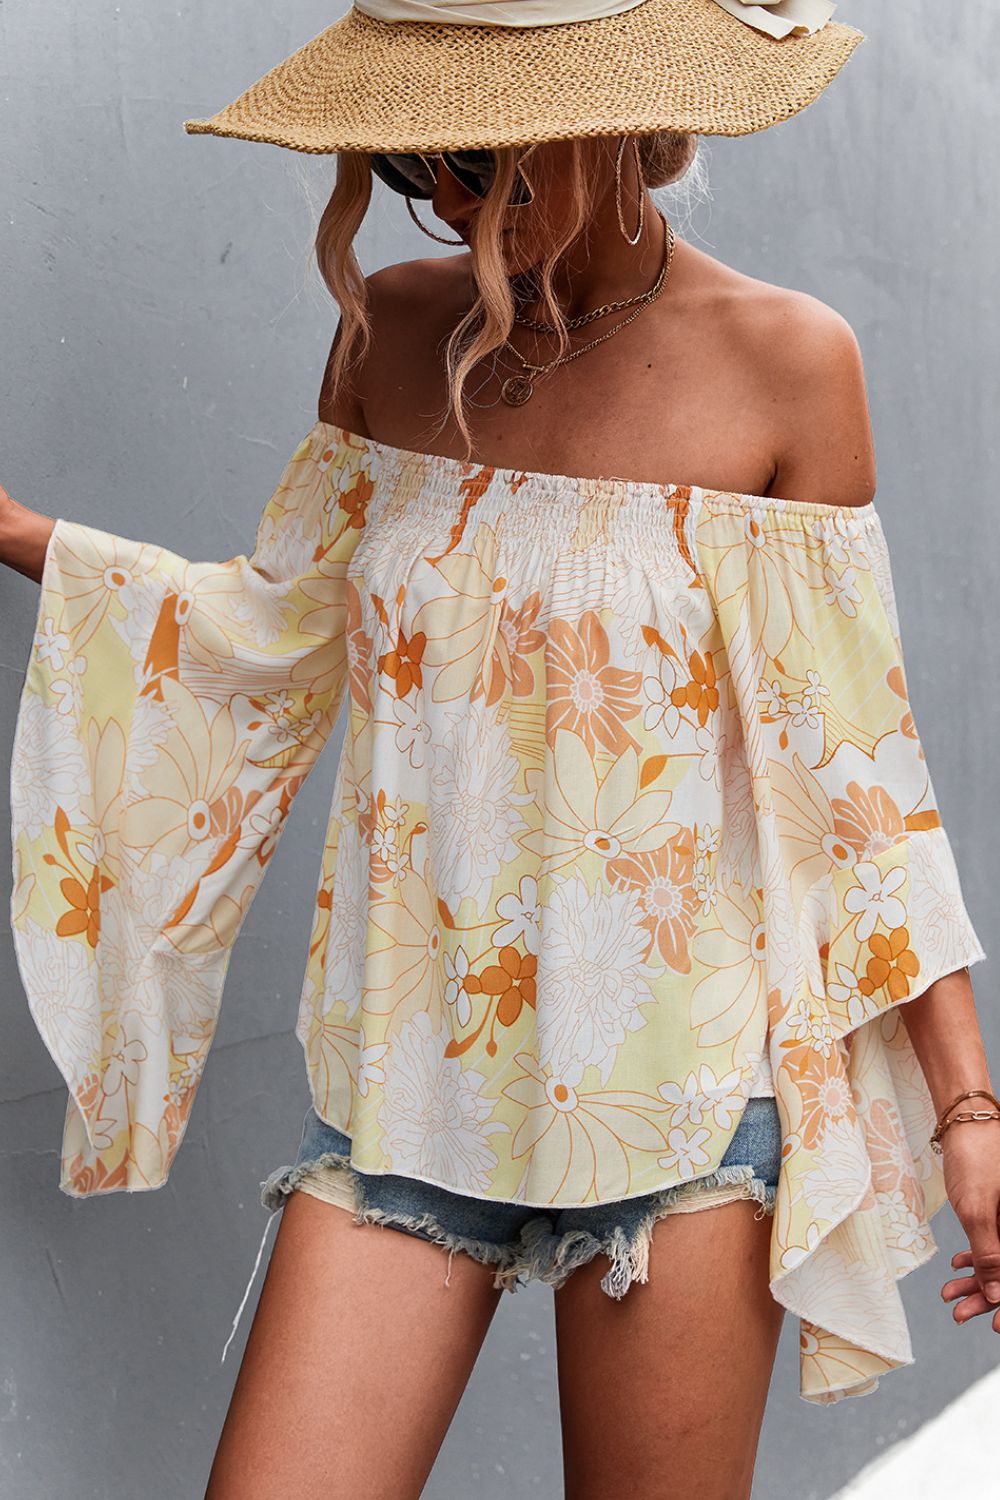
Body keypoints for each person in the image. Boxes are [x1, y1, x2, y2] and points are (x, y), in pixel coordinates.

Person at [4, 3, 999, 1497]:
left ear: (610, 123)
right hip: (413, 1078)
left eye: (485, 160)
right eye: (420, 166)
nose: (449, 202)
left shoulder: (787, 361)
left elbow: (859, 777)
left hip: (683, 1092)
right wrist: (23, 533)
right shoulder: (393, 331)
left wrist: (969, 1111)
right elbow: (277, 624)